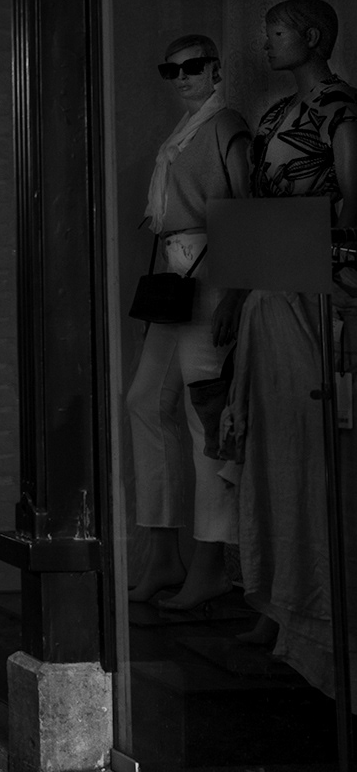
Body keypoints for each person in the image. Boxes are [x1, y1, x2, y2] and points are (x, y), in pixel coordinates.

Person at [222, 0, 357, 699]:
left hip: (317, 298)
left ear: (309, 37)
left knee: (313, 452)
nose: (265, 42)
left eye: (275, 32)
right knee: (271, 451)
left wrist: (343, 289)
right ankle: (280, 600)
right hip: (272, 293)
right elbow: (252, 209)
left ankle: (320, 612)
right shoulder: (273, 118)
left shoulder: (339, 111)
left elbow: (352, 209)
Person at [126, 34, 250, 608]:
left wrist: (236, 292)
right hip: (175, 281)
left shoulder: (225, 126)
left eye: (192, 67)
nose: (181, 77)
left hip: (210, 272)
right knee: (145, 402)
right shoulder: (182, 133)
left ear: (216, 70)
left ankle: (211, 561)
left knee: (206, 417)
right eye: (169, 69)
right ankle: (162, 553)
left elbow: (242, 208)